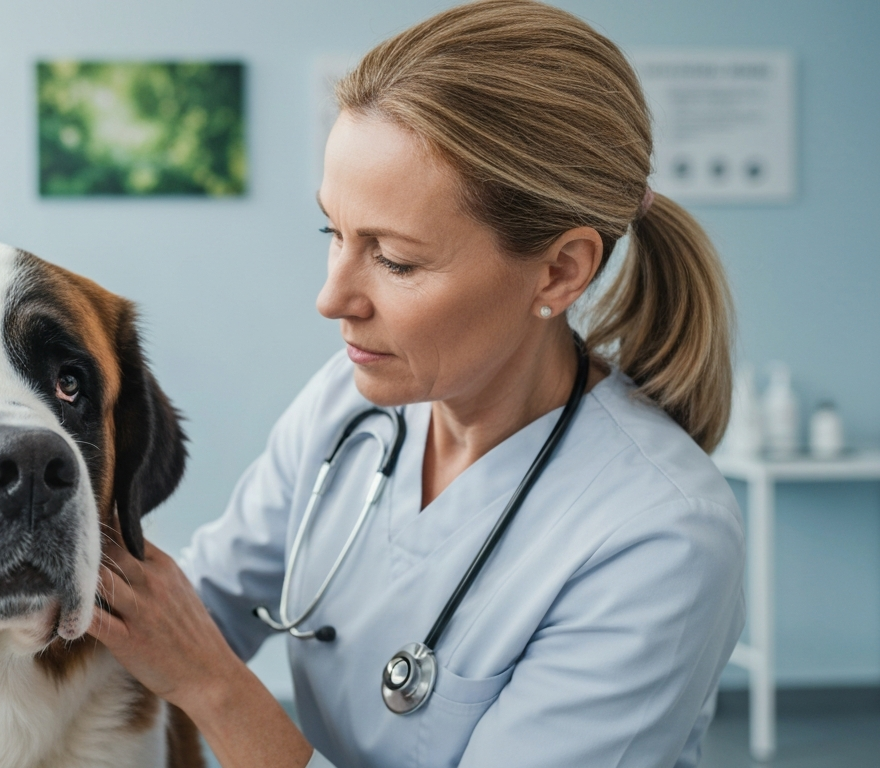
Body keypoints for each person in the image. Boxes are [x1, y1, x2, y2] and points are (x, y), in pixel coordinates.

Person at [86, 1, 746, 766]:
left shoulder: (660, 538)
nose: (332, 300)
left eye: (395, 260)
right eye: (333, 233)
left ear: (562, 270)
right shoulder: (352, 403)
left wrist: (212, 686)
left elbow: (196, 655)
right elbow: (202, 608)